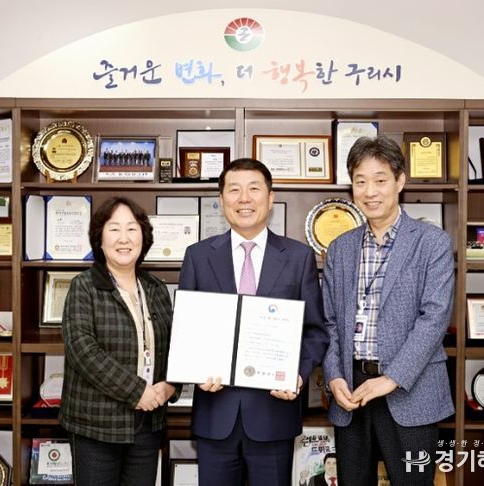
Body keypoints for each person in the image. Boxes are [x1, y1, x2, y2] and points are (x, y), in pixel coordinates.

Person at [178, 158, 329, 486]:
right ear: (222, 200)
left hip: (274, 414)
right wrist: (195, 370)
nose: (244, 198)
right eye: (234, 190)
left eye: (254, 189)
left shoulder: (298, 256)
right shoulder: (198, 256)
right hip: (215, 414)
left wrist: (298, 375)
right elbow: (186, 330)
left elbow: (315, 332)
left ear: (270, 198)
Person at [322, 136, 455, 485]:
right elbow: (329, 322)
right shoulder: (340, 248)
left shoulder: (432, 242)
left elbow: (434, 319)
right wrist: (334, 377)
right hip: (351, 391)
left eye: (380, 180)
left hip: (410, 390)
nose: (370, 192)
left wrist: (391, 378)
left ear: (400, 181)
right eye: (360, 181)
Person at [60, 196, 177, 486]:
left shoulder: (156, 288)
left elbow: (174, 346)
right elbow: (84, 352)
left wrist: (172, 384)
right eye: (114, 229)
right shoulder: (83, 287)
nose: (124, 238)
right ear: (99, 240)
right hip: (96, 424)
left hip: (148, 423)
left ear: (143, 237)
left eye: (132, 229)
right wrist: (137, 392)